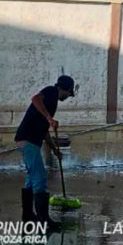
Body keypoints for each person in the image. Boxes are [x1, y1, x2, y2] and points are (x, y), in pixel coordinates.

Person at [15, 75, 75, 230]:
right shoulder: (50, 91)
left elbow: (44, 131)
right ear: (66, 89)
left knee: (31, 179)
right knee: (40, 177)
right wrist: (50, 118)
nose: (68, 97)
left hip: (29, 140)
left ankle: (28, 216)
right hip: (28, 140)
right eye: (69, 94)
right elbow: (35, 99)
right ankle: (44, 220)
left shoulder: (52, 101)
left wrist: (55, 150)